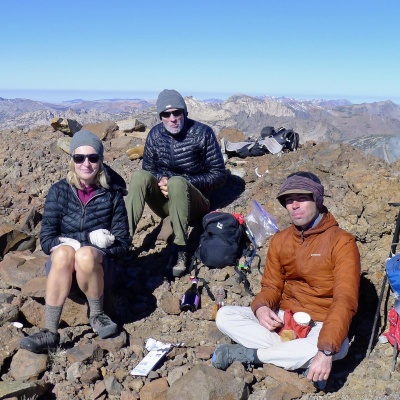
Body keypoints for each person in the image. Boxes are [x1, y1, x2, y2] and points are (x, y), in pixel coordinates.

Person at [212, 171, 360, 389]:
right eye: (289, 201)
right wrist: (262, 308)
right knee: (225, 316)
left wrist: (326, 349)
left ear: (317, 200)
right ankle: (297, 361)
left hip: (322, 325)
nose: (294, 206)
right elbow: (271, 286)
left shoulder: (342, 242)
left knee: (338, 348)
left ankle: (251, 355)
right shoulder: (281, 241)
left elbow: (344, 299)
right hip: (285, 321)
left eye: (301, 198)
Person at [20, 130, 131, 353]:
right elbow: (47, 241)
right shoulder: (58, 192)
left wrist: (97, 245)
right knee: (62, 253)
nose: (86, 164)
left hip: (99, 269)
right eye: (79, 158)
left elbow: (122, 245)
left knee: (85, 255)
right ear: (72, 160)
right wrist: (87, 238)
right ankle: (50, 331)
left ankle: (98, 315)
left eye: (92, 158)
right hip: (64, 268)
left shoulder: (112, 194)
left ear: (101, 160)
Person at [124, 89, 226, 277]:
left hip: (196, 204)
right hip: (166, 203)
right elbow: (149, 170)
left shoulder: (203, 133)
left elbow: (218, 175)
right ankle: (124, 240)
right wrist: (162, 180)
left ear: (184, 112)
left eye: (177, 112)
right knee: (140, 176)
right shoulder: (155, 135)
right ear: (160, 116)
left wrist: (181, 182)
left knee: (177, 182)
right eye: (166, 114)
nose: (172, 118)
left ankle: (180, 248)